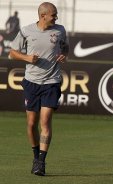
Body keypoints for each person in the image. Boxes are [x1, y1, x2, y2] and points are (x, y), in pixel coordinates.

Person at [9, 2, 69, 176]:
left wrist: (65, 55)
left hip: (52, 82)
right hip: (31, 82)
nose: (56, 18)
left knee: (45, 121)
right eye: (53, 15)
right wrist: (27, 57)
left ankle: (41, 162)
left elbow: (65, 47)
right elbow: (12, 53)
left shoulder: (60, 30)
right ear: (43, 16)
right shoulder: (27, 31)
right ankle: (36, 156)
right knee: (31, 124)